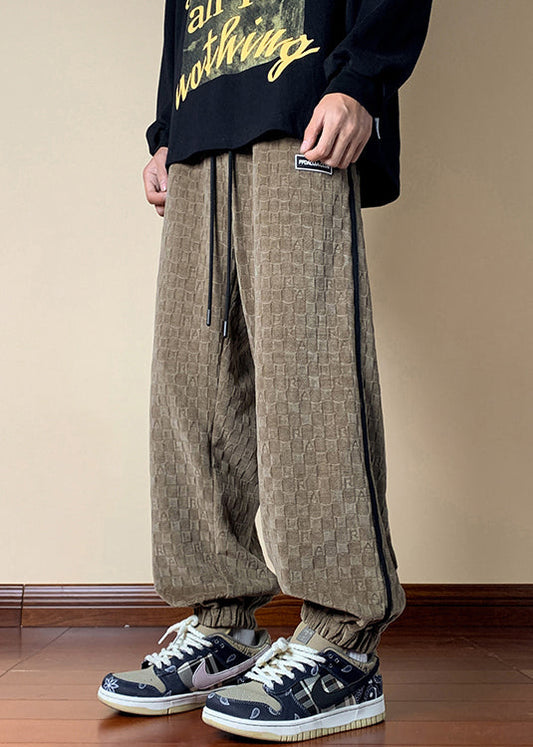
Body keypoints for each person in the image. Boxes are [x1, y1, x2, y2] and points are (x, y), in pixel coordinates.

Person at [98, 0, 432, 740]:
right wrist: (166, 130)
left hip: (302, 111)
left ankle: (343, 646)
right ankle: (223, 626)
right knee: (193, 387)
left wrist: (362, 79)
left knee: (307, 373)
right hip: (198, 132)